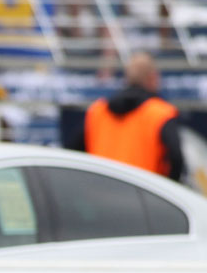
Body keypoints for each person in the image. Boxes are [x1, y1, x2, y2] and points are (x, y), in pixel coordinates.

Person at [68, 51, 185, 181]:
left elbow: (74, 153)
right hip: (144, 193)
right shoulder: (161, 113)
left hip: (100, 192)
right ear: (153, 77)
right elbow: (176, 158)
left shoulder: (98, 111)